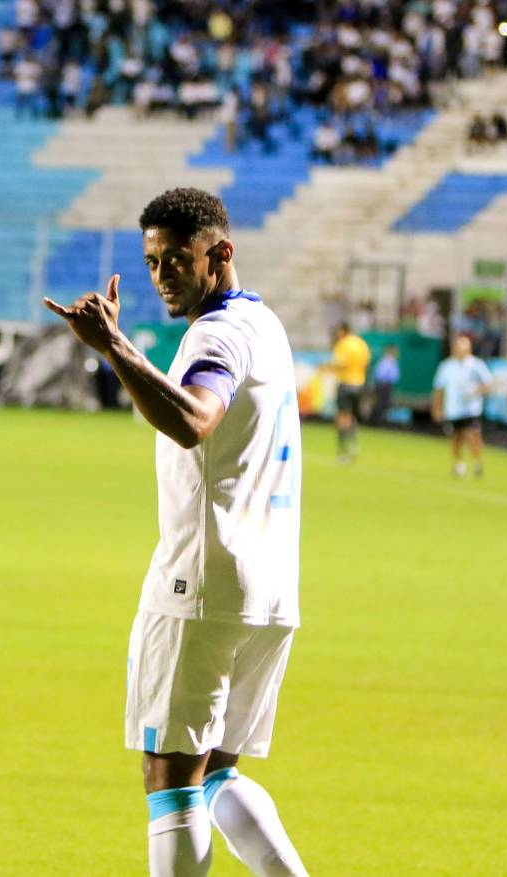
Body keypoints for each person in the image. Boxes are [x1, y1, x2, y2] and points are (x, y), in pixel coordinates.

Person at [44, 188, 309, 877]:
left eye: (175, 260)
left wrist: (112, 347)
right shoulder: (265, 323)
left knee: (170, 775)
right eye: (151, 262)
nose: (162, 275)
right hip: (269, 587)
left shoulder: (216, 334)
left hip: (203, 582)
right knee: (216, 768)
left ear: (219, 253)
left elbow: (194, 418)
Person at [432, 335, 492, 478]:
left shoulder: (476, 365)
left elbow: (488, 384)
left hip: (471, 408)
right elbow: (439, 388)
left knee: (472, 435)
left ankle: (478, 462)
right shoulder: (446, 366)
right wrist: (437, 408)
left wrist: (476, 391)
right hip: (453, 409)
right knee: (456, 438)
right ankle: (458, 464)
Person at [330, 322, 370, 462]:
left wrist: (329, 367)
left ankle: (343, 450)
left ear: (343, 331)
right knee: (353, 416)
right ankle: (353, 444)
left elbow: (342, 363)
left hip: (345, 383)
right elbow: (366, 362)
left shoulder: (343, 344)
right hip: (359, 383)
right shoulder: (361, 344)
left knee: (342, 417)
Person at [371, 343, 399, 424]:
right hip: (384, 385)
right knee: (381, 403)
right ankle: (376, 421)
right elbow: (380, 374)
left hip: (386, 385)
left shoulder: (391, 361)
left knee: (384, 403)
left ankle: (379, 420)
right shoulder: (386, 361)